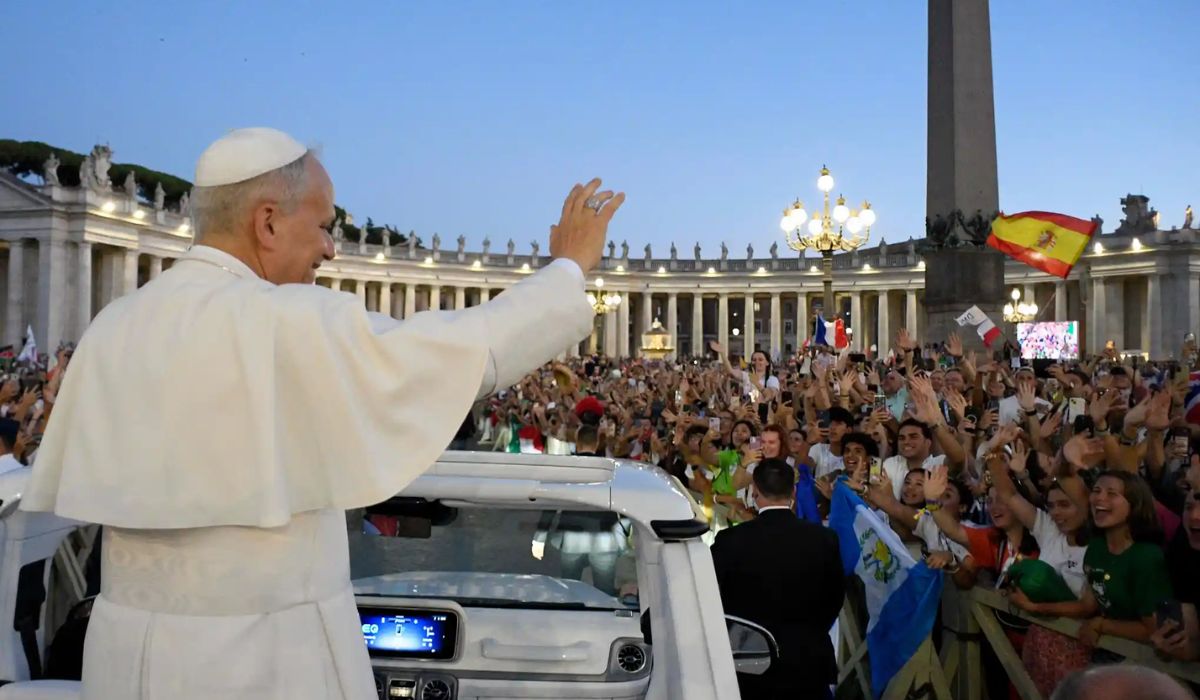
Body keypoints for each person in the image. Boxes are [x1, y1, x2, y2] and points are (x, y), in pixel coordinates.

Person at [21, 127, 624, 699]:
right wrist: (567, 268)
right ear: (268, 222)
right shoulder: (286, 319)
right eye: (325, 226)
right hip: (262, 660)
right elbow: (471, 349)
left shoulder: (111, 328)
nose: (332, 249)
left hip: (124, 658)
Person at [709, 458, 844, 699]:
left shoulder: (730, 540)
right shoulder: (824, 538)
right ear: (792, 491)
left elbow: (709, 596)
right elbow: (834, 599)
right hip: (808, 662)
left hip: (749, 663)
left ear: (754, 492)